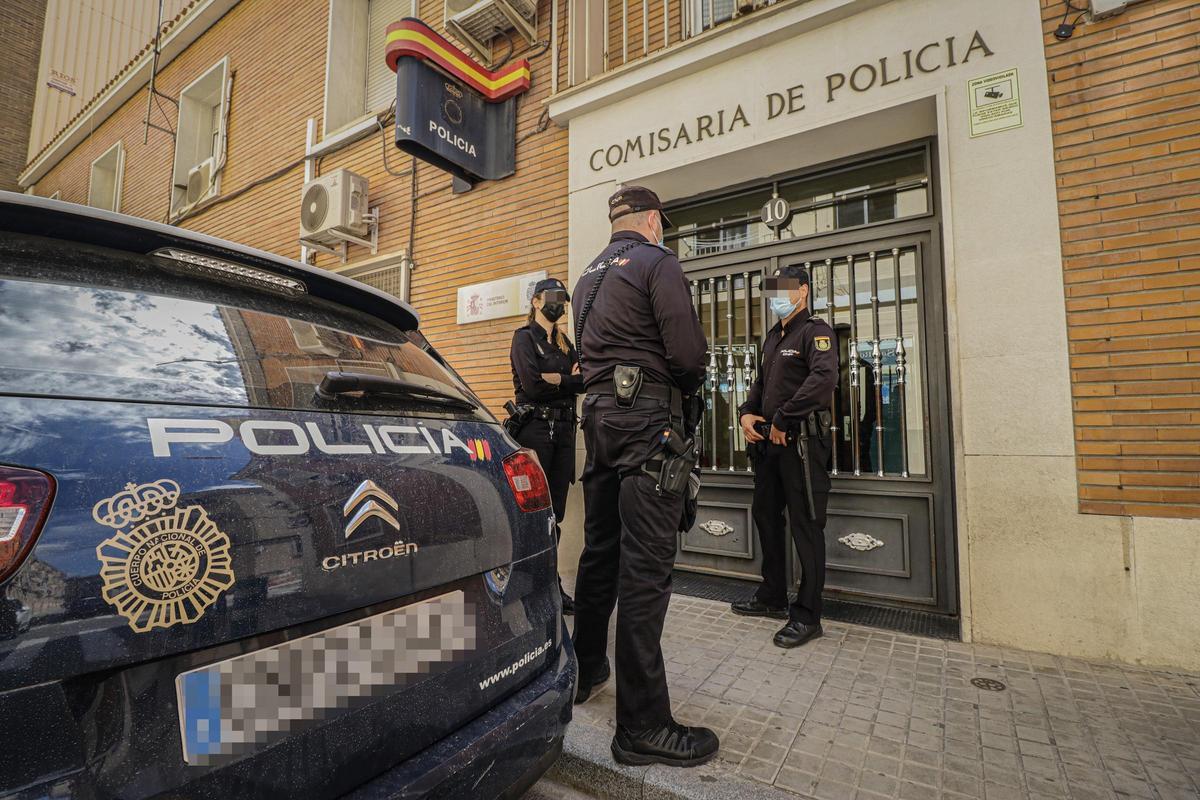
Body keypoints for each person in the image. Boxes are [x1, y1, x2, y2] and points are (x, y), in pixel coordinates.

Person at [570, 185, 718, 768]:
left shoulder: (587, 275)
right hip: (646, 424)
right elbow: (688, 357)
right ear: (654, 220)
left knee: (600, 552)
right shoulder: (657, 262)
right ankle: (642, 725)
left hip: (600, 422)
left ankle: (584, 670)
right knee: (646, 567)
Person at [732, 265, 838, 648]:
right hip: (768, 446)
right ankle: (773, 595)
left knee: (806, 526)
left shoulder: (816, 333)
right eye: (771, 290)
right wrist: (745, 412)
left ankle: (808, 614)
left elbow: (822, 382)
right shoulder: (773, 338)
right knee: (765, 515)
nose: (775, 296)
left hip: (801, 446)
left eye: (782, 289)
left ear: (803, 291)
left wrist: (783, 418)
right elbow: (760, 384)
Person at [509, 278, 584, 614]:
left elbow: (585, 379)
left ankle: (549, 584)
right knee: (535, 516)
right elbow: (533, 386)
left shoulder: (565, 343)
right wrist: (566, 381)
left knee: (556, 516)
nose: (560, 304)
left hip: (565, 433)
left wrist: (561, 380)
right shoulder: (524, 338)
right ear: (537, 301)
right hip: (536, 431)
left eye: (563, 299)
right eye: (553, 298)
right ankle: (530, 588)